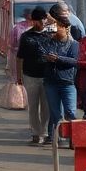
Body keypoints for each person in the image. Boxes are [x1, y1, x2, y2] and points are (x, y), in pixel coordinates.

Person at [41, 19, 80, 148]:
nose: (56, 29)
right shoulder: (49, 41)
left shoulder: (73, 44)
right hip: (51, 82)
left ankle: (73, 139)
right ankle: (54, 137)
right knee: (55, 112)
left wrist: (58, 58)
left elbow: (75, 61)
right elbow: (42, 53)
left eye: (58, 26)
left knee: (70, 111)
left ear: (65, 28)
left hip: (67, 82)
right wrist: (47, 57)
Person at [16, 8, 52, 146]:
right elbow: (19, 58)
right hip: (30, 76)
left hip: (47, 76)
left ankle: (45, 132)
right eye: (39, 20)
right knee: (33, 106)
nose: (41, 22)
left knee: (46, 107)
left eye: (43, 19)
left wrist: (51, 20)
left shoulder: (50, 35)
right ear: (33, 21)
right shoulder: (26, 36)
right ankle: (36, 133)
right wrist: (18, 76)